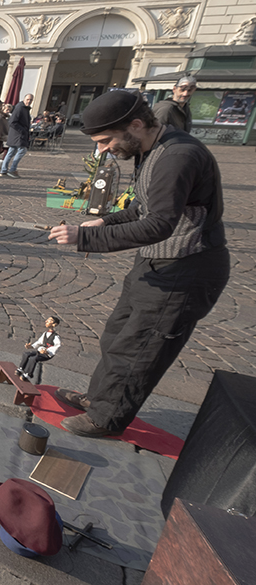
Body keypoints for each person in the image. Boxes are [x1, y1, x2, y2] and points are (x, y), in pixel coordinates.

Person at [47, 90, 229, 438]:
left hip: (187, 266)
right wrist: (106, 222)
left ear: (135, 125)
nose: (101, 149)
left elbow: (159, 223)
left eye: (105, 140)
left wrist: (85, 238)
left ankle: (106, 418)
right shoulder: (149, 148)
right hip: (158, 260)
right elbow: (144, 207)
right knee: (118, 334)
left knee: (142, 346)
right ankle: (99, 398)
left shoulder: (178, 155)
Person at [17, 316, 61, 384]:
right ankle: (21, 368)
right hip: (41, 351)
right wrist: (31, 346)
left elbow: (57, 346)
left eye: (49, 320)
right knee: (26, 354)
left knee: (33, 358)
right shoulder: (45, 333)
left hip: (47, 355)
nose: (46, 321)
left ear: (54, 324)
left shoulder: (56, 337)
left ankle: (28, 374)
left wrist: (47, 351)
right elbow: (39, 342)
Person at [0, 93, 33, 178]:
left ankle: (3, 170)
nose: (29, 101)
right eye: (27, 99)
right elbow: (12, 122)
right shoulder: (20, 108)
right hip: (18, 135)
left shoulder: (24, 108)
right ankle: (12, 169)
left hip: (17, 134)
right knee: (22, 150)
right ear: (24, 99)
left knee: (11, 151)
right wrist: (22, 131)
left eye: (31, 100)